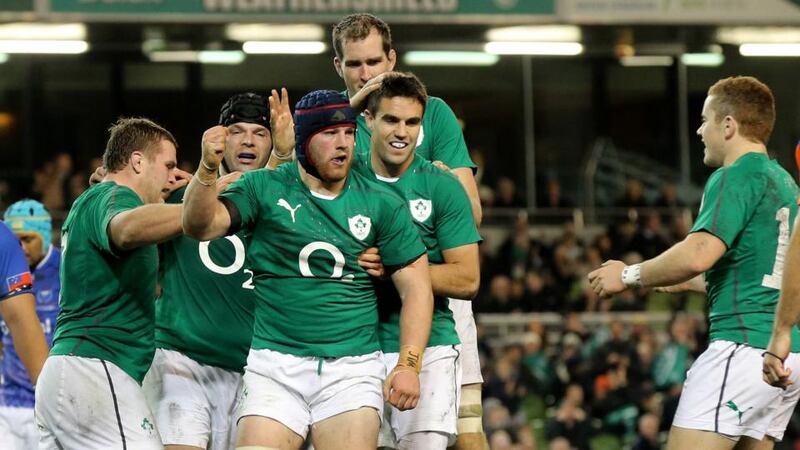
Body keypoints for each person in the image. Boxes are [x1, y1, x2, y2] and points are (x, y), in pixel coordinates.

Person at [182, 89, 434, 450]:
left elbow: (417, 289)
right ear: (303, 140)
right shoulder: (262, 187)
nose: (343, 143)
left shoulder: (381, 203)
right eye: (330, 134)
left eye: (348, 132)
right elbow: (198, 226)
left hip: (352, 367)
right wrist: (207, 169)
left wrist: (409, 364)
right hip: (274, 365)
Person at [588, 76, 800, 450]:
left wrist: (628, 275)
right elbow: (766, 273)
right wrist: (687, 282)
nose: (700, 130)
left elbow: (699, 252)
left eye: (705, 120)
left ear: (729, 125)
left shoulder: (734, 175)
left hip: (741, 348)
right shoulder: (786, 183)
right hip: (785, 356)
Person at [332, 14, 488, 449]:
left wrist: (439, 185)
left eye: (374, 62)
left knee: (468, 430)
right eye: (355, 65)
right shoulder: (335, 127)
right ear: (338, 66)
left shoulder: (431, 113)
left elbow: (469, 211)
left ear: (392, 58)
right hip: (359, 308)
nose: (366, 73)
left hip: (436, 300)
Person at [141, 90, 293, 450]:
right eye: (237, 131)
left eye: (259, 133)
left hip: (255, 373)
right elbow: (128, 224)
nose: (247, 141)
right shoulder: (181, 197)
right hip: (182, 362)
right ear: (220, 137)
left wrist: (286, 157)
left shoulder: (287, 203)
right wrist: (114, 185)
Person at [35, 117, 183, 449]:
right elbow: (126, 228)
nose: (173, 176)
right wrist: (196, 211)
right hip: (97, 369)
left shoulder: (97, 197)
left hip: (71, 371)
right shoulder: (114, 196)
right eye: (169, 165)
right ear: (138, 161)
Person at [0, 200, 60, 450]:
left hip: (52, 405)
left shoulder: (69, 269)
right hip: (7, 403)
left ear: (45, 236)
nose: (20, 248)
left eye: (27, 239)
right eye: (16, 240)